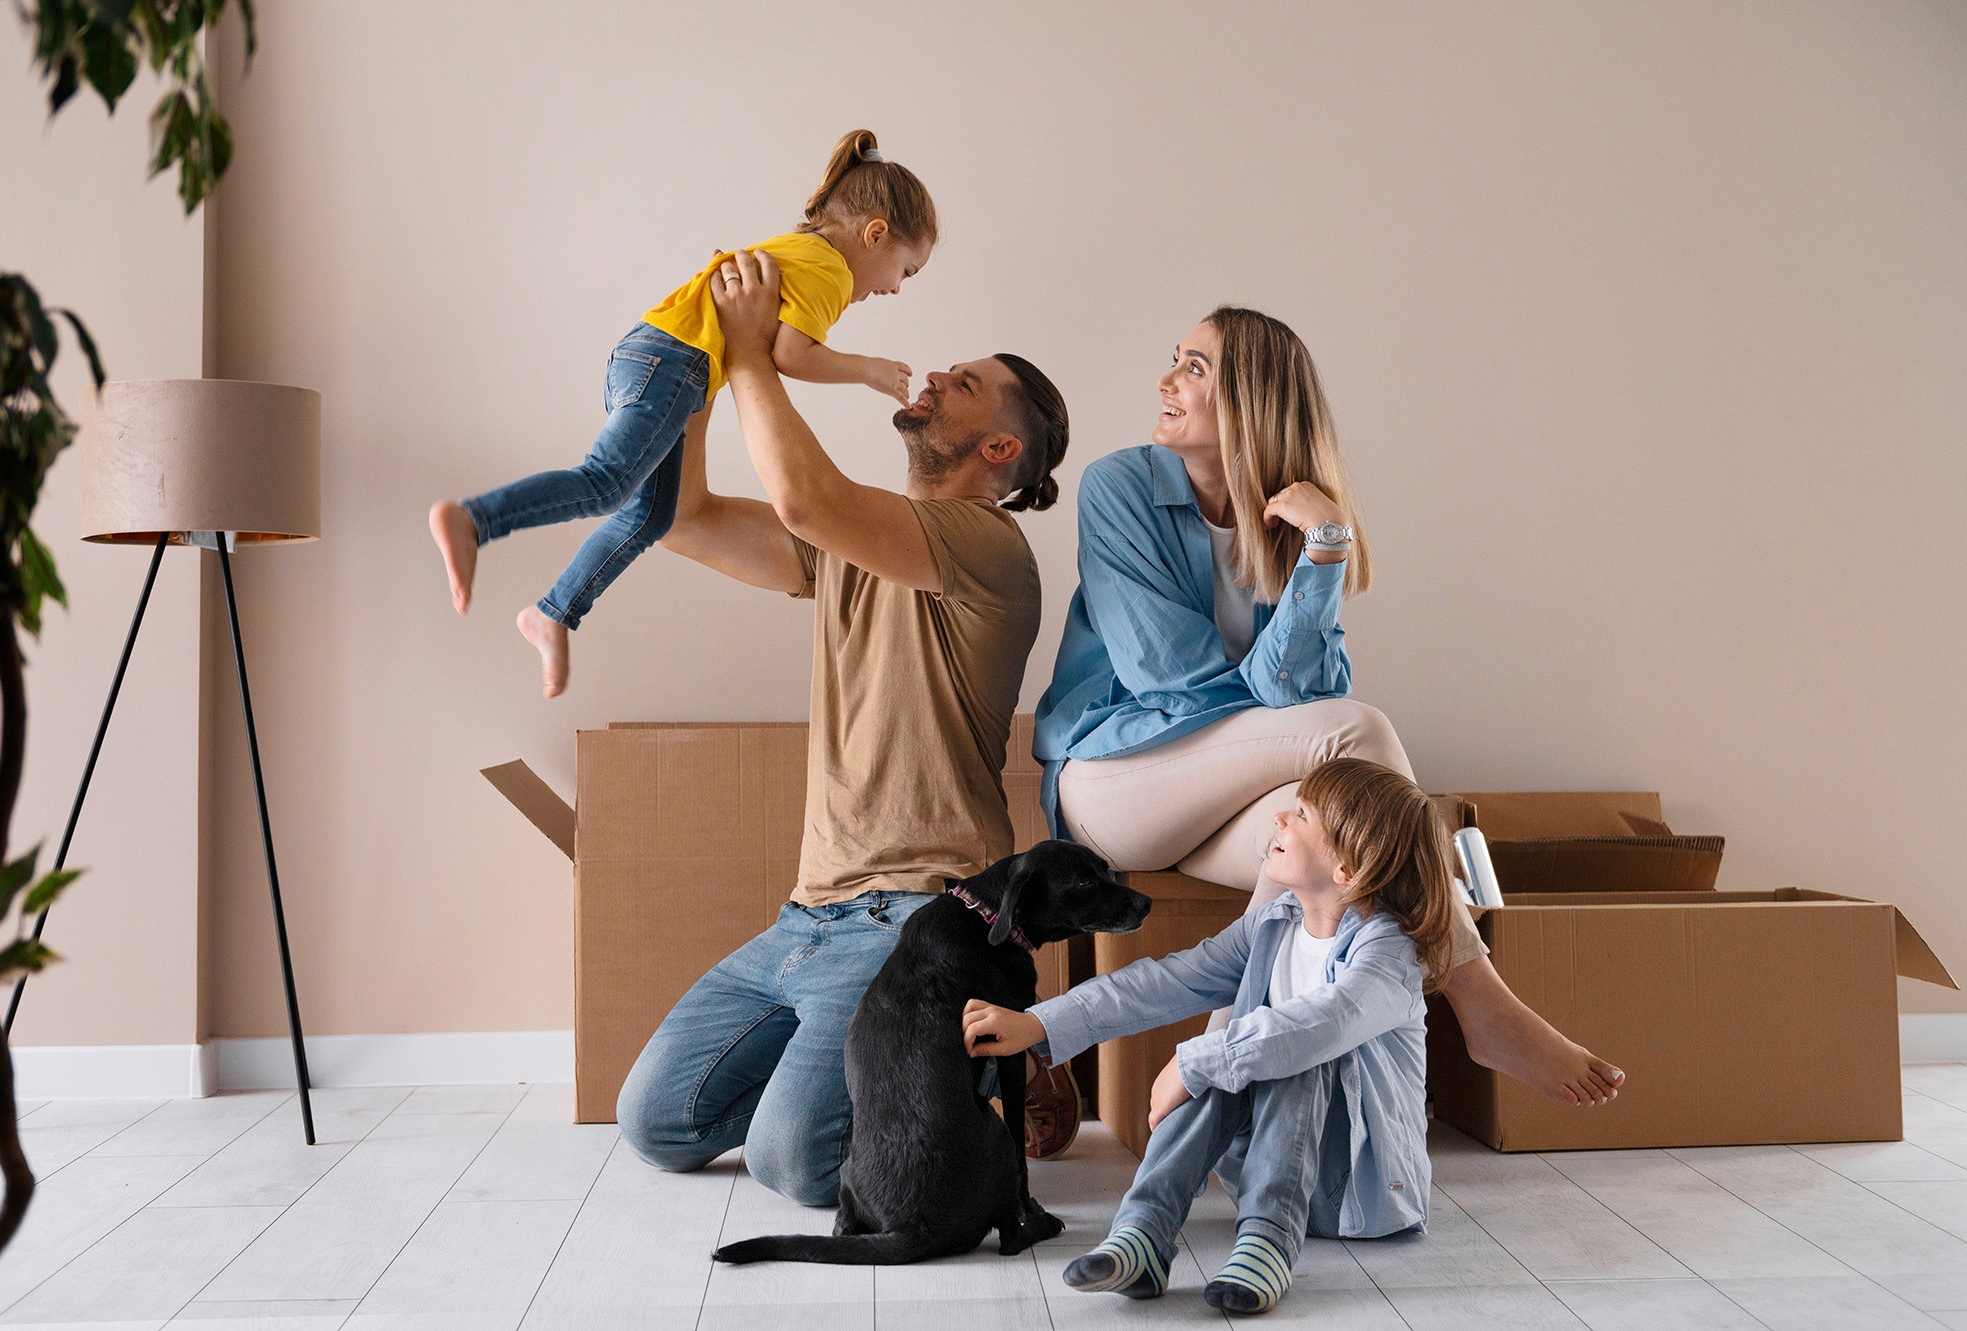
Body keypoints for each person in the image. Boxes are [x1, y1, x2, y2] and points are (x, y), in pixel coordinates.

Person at [1033, 306, 1622, 1107]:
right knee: (1359, 733)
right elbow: (1168, 677)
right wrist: (1281, 681)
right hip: (1116, 778)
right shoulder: (1119, 487)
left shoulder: (1300, 518)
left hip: (1225, 801)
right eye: (1175, 361)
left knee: (1321, 832)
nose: (1165, 382)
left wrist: (1322, 550)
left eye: (1195, 368)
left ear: (1253, 402)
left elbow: (1298, 693)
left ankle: (1212, 1080)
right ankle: (1481, 1000)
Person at [615, 246, 1071, 1205]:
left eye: (970, 385)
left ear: (999, 451)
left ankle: (978, 1064)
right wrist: (694, 369)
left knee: (796, 1165)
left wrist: (751, 348)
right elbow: (682, 516)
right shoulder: (847, 549)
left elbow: (804, 498)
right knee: (656, 1122)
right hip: (809, 914)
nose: (938, 375)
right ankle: (942, 1071)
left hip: (921, 918)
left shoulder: (991, 547)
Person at [428, 129, 935, 698]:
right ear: (875, 235)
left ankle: (553, 612)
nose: (895, 290)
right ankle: (477, 520)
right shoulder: (833, 272)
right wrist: (867, 369)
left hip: (663, 360)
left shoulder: (806, 249)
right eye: (906, 272)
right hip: (670, 361)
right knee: (606, 483)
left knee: (650, 518)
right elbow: (791, 356)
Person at [964, 759, 1454, 1314]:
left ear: (1345, 867)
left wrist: (1192, 1061)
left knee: (1279, 1048)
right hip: (1269, 1176)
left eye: (1299, 815)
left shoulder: (1388, 954)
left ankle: (1269, 1244)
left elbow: (1323, 1024)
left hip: (1355, 1196)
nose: (1279, 818)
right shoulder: (1275, 921)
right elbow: (1171, 980)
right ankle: (1144, 1233)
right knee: (1239, 1051)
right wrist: (1040, 1023)